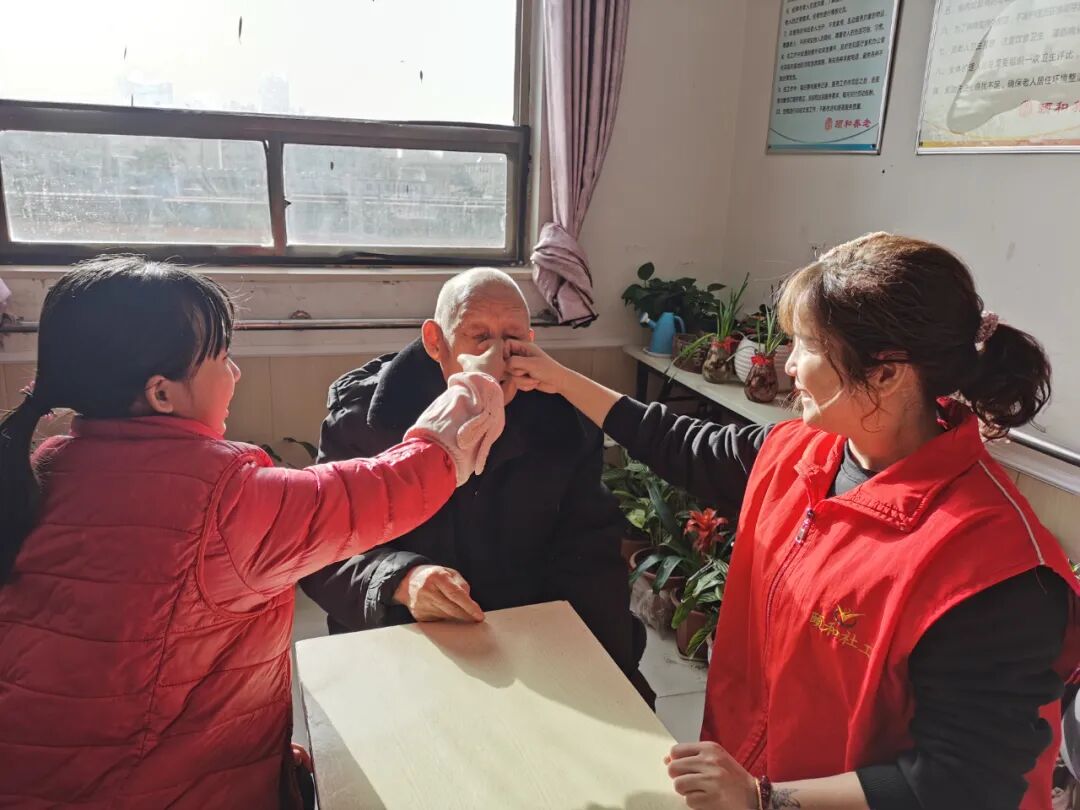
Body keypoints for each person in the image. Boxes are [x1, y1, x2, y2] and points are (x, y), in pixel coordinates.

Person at [508, 233, 1080, 810]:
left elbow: (964, 784)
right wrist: (557, 377)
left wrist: (766, 799)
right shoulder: (800, 452)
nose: (787, 364)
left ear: (886, 374)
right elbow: (677, 441)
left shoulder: (992, 568)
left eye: (806, 346)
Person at [0, 256, 505, 808]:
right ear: (162, 394)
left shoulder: (45, 467)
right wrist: (471, 392)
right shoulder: (222, 500)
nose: (236, 372)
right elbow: (388, 487)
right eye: (222, 357)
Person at [300, 267, 650, 700]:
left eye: (512, 338)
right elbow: (321, 551)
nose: (497, 358)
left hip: (522, 639)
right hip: (404, 636)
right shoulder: (365, 419)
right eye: (479, 337)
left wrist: (614, 676)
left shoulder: (564, 423)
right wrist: (401, 580)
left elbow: (591, 558)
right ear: (436, 342)